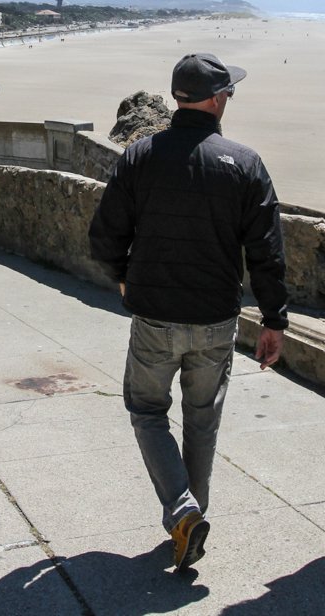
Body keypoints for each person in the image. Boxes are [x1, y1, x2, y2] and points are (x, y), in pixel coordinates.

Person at [89, 53, 288, 573]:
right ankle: (189, 517)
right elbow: (267, 252)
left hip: (155, 315)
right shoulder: (244, 163)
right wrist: (275, 321)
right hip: (217, 319)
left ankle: (183, 512)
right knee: (203, 422)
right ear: (218, 99)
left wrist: (123, 276)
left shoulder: (140, 156)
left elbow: (105, 233)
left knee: (147, 411)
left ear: (178, 96)